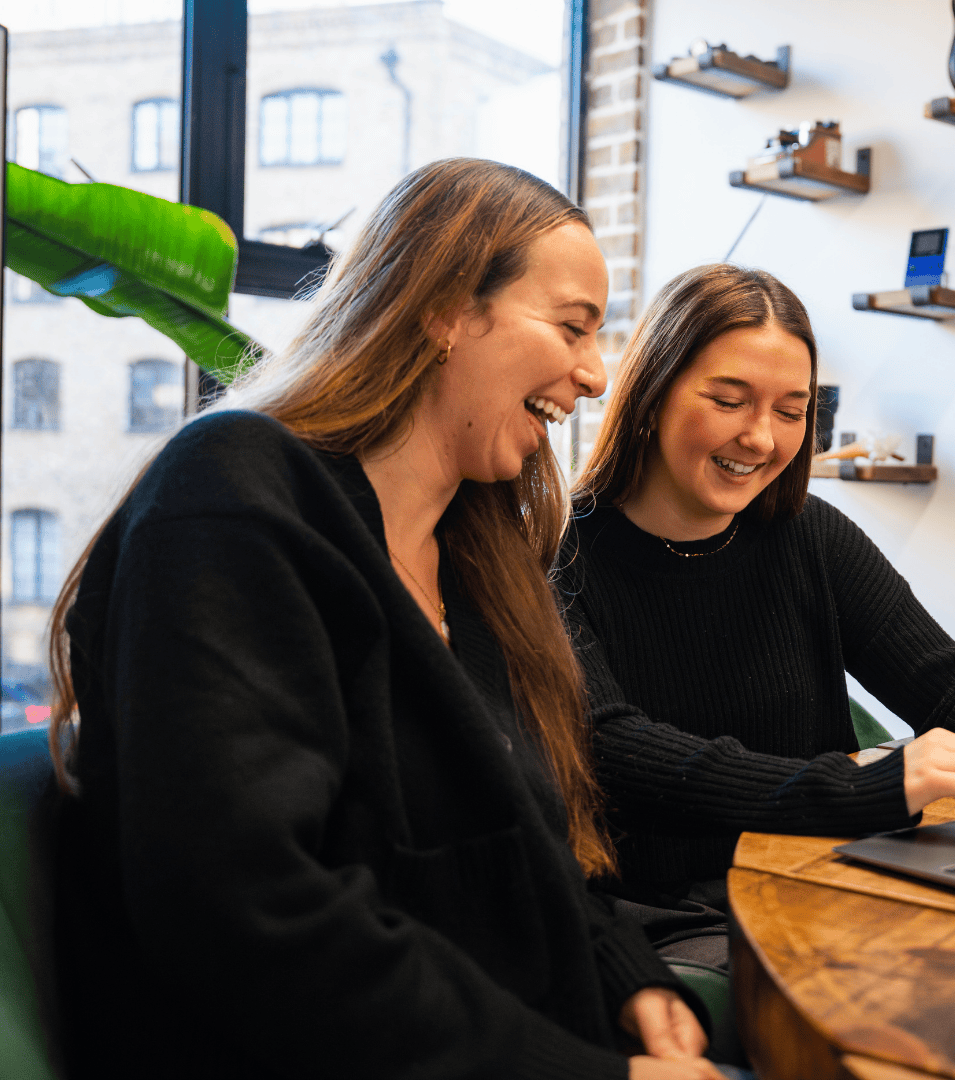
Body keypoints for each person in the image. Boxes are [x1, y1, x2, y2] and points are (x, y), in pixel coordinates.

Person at [47, 159, 727, 1080]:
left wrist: (629, 977)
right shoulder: (233, 494)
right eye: (572, 327)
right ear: (446, 307)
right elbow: (242, 911)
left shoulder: (478, 557)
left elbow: (518, 849)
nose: (598, 376)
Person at [558, 263, 955, 968]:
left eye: (791, 412)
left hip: (818, 879)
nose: (761, 439)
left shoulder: (808, 535)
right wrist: (863, 789)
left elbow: (951, 681)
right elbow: (617, 752)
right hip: (667, 916)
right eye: (730, 401)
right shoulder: (560, 553)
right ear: (651, 393)